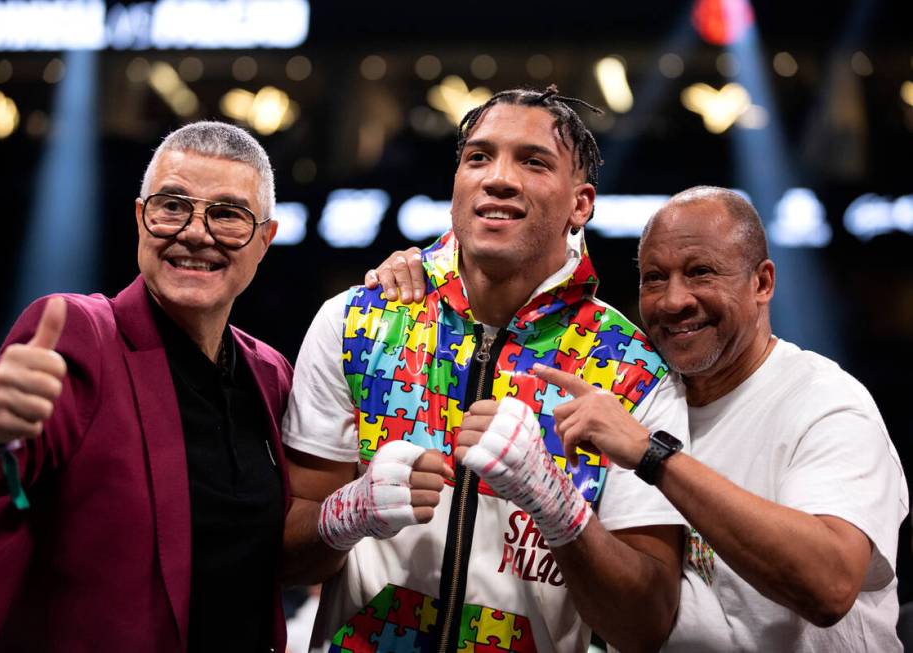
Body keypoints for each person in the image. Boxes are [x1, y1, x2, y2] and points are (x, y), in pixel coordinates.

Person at [281, 86, 690, 653]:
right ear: (456, 186)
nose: (498, 177)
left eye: (534, 161)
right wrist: (347, 515)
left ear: (581, 204)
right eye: (479, 156)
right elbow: (283, 558)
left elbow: (645, 626)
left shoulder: (632, 371)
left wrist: (557, 505)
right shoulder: (357, 322)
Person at [0, 121, 293, 652]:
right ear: (139, 219)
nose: (195, 232)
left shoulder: (271, 375)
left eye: (227, 215)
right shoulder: (80, 334)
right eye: (172, 206)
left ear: (265, 239)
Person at [532, 186, 909, 651]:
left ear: (762, 283)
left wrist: (653, 456)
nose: (673, 301)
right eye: (654, 278)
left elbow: (828, 585)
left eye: (701, 272)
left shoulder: (826, 403)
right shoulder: (635, 399)